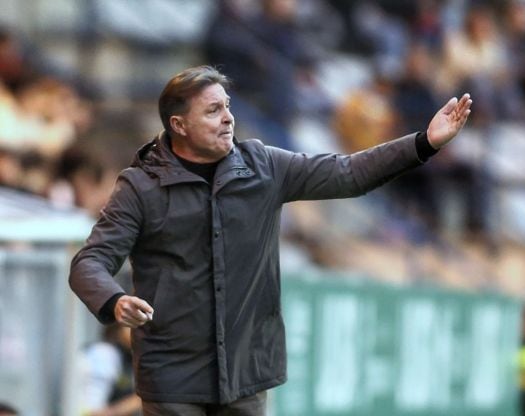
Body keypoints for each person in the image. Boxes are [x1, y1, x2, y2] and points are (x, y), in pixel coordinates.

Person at [69, 65, 472, 414]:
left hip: (248, 372)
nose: (228, 118)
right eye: (213, 111)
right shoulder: (140, 187)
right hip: (172, 375)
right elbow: (89, 262)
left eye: (227, 106)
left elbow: (348, 173)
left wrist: (424, 142)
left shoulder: (263, 165)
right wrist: (115, 300)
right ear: (179, 126)